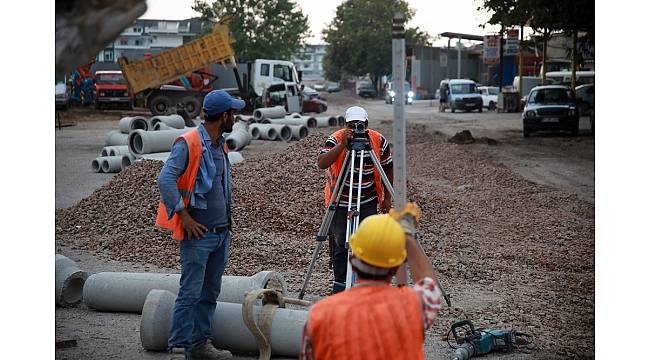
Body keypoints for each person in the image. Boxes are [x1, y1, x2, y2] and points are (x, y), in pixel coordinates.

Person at [156, 89, 244, 360]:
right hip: (198, 235)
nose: (235, 118)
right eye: (233, 113)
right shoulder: (189, 142)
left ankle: (199, 345)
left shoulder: (220, 145)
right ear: (225, 116)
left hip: (220, 233)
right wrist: (184, 216)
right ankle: (180, 346)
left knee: (209, 293)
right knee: (190, 292)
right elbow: (165, 180)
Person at [300, 203, 443, 359]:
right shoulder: (413, 306)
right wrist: (407, 237)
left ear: (353, 260)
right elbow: (429, 284)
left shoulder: (319, 315)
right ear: (395, 267)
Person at [317, 105, 393, 294]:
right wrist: (343, 145)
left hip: (367, 198)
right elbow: (321, 163)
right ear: (345, 125)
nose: (356, 129)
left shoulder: (377, 141)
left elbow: (388, 169)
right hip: (339, 199)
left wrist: (387, 198)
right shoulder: (336, 139)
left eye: (360, 125)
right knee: (341, 241)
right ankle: (340, 284)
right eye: (352, 125)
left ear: (366, 125)